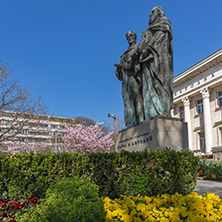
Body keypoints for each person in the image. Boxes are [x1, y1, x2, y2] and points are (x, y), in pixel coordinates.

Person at [137, 6, 173, 120]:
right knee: (148, 86)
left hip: (159, 59)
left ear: (159, 12)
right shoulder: (150, 28)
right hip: (147, 61)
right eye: (150, 13)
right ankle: (152, 113)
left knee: (159, 83)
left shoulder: (164, 22)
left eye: (153, 12)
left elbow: (158, 38)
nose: (150, 15)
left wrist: (147, 49)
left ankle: (162, 110)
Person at [115, 31, 144, 128]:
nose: (129, 38)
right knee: (127, 103)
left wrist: (132, 64)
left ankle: (141, 120)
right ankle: (130, 124)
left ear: (135, 37)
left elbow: (142, 63)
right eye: (128, 37)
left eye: (131, 36)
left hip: (134, 77)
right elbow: (119, 77)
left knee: (137, 99)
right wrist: (119, 69)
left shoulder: (138, 47)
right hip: (125, 81)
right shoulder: (123, 55)